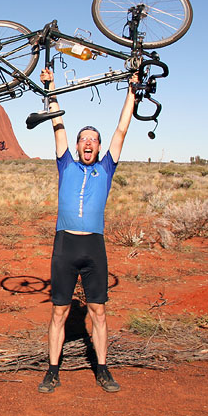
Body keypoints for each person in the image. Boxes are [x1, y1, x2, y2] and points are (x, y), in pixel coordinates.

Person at [36, 67, 137, 394]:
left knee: (99, 312)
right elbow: (58, 124)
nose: (89, 142)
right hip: (64, 247)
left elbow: (121, 129)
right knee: (59, 312)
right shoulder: (65, 163)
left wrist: (132, 92)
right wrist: (51, 87)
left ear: (99, 146)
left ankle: (103, 370)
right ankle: (52, 371)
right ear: (78, 146)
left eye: (94, 139)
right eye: (84, 139)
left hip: (94, 248)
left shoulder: (106, 168)